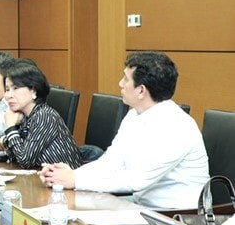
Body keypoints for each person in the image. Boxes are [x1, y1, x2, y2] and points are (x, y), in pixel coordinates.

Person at [40, 52, 208, 210]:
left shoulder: (178, 127)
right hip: (142, 205)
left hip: (176, 214)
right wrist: (65, 176)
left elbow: (137, 180)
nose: (120, 83)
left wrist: (75, 180)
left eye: (126, 79)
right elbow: (111, 162)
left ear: (141, 90)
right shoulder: (134, 114)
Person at [0, 59, 80, 169]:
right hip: (39, 176)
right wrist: (14, 129)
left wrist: (11, 128)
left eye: (15, 88)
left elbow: (25, 160)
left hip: (63, 179)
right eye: (7, 89)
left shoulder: (44, 116)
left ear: (34, 91)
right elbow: (13, 156)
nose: (8, 95)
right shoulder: (24, 117)